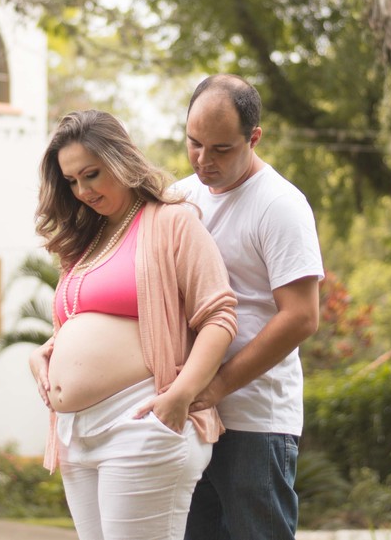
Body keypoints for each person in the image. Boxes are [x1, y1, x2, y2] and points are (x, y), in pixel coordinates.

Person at [29, 109, 238, 540]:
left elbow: (218, 316)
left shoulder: (171, 221)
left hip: (141, 422)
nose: (83, 190)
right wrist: (45, 353)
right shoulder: (86, 241)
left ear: (121, 160)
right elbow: (86, 323)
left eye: (92, 174)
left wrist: (180, 395)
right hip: (78, 433)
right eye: (71, 181)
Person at [176, 75, 323, 540]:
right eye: (194, 144)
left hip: (256, 422)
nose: (204, 161)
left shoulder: (280, 205)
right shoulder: (180, 198)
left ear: (253, 138)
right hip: (192, 416)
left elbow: (301, 316)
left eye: (221, 149)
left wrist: (218, 385)